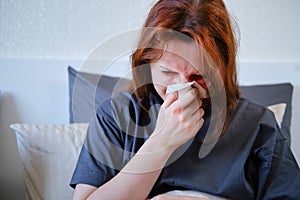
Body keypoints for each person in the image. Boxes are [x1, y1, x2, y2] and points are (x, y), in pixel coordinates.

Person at [70, 0, 300, 199]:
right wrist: (162, 142)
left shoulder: (258, 125)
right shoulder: (115, 115)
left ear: (223, 67)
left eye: (199, 76)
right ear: (146, 64)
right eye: (168, 72)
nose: (182, 88)